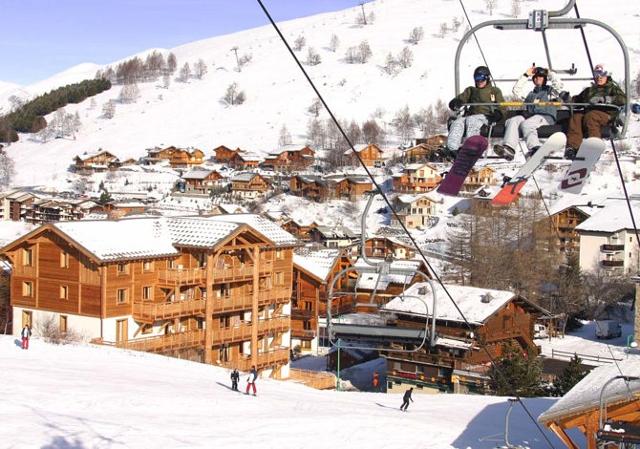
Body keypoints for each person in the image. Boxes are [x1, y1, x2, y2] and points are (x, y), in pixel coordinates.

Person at [493, 66, 564, 160]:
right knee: (513, 120)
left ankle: (535, 148)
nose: (538, 78)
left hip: (545, 117)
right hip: (532, 117)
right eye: (536, 77)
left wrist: (549, 73)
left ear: (545, 79)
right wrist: (526, 75)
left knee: (527, 124)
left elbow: (559, 85)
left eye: (541, 77)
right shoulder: (531, 94)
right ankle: (509, 148)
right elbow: (516, 91)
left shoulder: (550, 92)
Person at [565, 64, 626, 159]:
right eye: (596, 75)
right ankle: (573, 148)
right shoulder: (589, 90)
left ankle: (594, 147)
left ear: (607, 75)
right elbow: (576, 100)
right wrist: (566, 98)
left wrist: (606, 99)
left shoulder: (612, 88)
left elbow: (622, 99)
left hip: (607, 116)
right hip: (589, 116)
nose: (599, 77)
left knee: (591, 115)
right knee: (576, 117)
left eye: (602, 74)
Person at [445, 66, 505, 158]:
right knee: (457, 122)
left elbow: (502, 106)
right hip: (470, 115)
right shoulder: (471, 90)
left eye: (481, 78)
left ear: (487, 78)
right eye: (477, 78)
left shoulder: (494, 91)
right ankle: (452, 149)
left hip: (486, 116)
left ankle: (471, 147)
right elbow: (461, 98)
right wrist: (456, 102)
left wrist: (498, 113)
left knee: (472, 121)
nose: (479, 81)